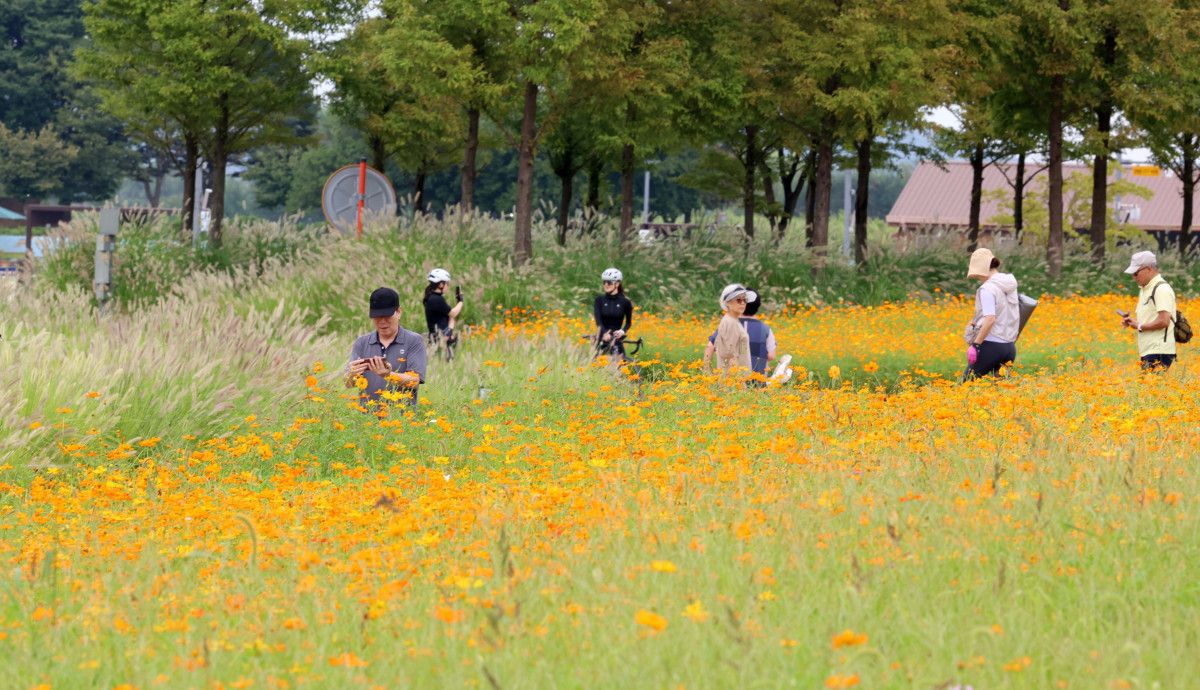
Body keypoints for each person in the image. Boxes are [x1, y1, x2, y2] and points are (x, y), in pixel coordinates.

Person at [344, 287, 427, 407]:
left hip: (401, 421)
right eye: (377, 317)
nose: (382, 321)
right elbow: (349, 384)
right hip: (366, 421)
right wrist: (351, 374)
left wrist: (388, 375)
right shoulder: (362, 342)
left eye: (387, 316)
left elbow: (414, 381)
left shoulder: (414, 341)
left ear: (399, 312)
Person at [963, 248, 1020, 381]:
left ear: (981, 270)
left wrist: (976, 345)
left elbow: (990, 319)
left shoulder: (988, 288)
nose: (979, 279)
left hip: (992, 345)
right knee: (1003, 390)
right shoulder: (1009, 285)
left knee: (965, 386)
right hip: (1009, 347)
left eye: (978, 275)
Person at [1120, 250, 1177, 372]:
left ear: (1149, 269)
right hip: (1149, 348)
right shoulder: (1145, 289)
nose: (1134, 277)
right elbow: (1150, 319)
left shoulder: (1161, 289)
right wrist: (1133, 322)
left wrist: (1139, 326)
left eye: (1136, 273)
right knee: (1148, 388)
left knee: (1150, 388)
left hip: (1159, 350)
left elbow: (1164, 321)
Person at [703, 288, 777, 379]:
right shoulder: (765, 329)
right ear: (758, 305)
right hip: (757, 383)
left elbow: (710, 346)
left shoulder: (728, 324)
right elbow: (771, 356)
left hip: (731, 382)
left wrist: (708, 375)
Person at [708, 283, 753, 374]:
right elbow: (730, 356)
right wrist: (739, 383)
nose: (742, 303)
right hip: (733, 382)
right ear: (727, 302)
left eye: (744, 300)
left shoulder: (733, 321)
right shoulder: (730, 322)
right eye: (738, 300)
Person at [594, 268, 633, 356]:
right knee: (596, 366)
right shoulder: (599, 300)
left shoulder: (625, 302)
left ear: (617, 283)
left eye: (609, 282)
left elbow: (628, 322)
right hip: (602, 339)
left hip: (616, 339)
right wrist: (605, 333)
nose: (606, 285)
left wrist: (622, 331)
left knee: (621, 367)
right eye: (604, 282)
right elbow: (598, 321)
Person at [424, 268, 463, 350]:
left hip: (437, 333)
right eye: (447, 284)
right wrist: (460, 301)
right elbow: (453, 313)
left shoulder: (431, 297)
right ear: (441, 284)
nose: (447, 287)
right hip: (441, 335)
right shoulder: (437, 299)